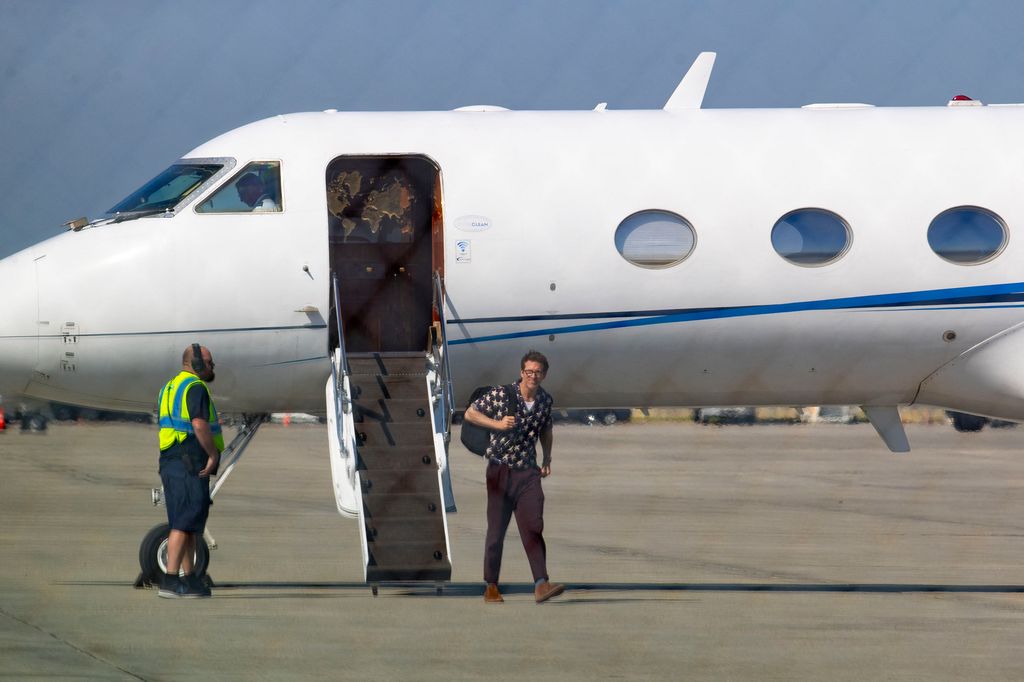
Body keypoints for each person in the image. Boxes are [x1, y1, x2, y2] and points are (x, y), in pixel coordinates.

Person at [465, 350, 565, 604]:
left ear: (544, 375)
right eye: (529, 371)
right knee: (496, 531)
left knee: (533, 526)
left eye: (538, 372)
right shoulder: (502, 394)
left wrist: (547, 458)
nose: (533, 376)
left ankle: (541, 584)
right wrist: (497, 425)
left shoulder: (545, 400)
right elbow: (470, 413)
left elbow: (546, 430)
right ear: (522, 373)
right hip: (500, 471)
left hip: (528, 473)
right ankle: (491, 585)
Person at [155, 344, 223, 598]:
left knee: (189, 521)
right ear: (195, 364)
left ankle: (191, 578)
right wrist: (213, 454)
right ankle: (170, 581)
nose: (212, 367)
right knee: (183, 523)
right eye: (209, 362)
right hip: (189, 459)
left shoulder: (170, 387)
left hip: (171, 458)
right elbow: (198, 423)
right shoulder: (195, 387)